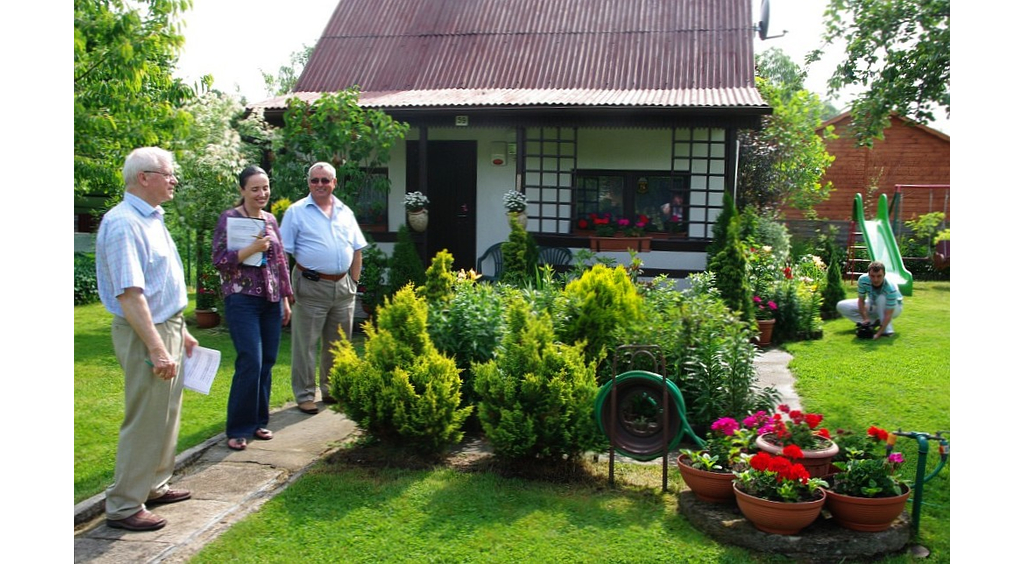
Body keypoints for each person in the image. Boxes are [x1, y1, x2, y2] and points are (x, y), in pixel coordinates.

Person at [95, 147, 198, 532]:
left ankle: (153, 484)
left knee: (167, 413)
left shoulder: (152, 218)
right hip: (145, 334)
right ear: (144, 177)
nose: (174, 181)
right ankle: (124, 505)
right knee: (145, 417)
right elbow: (131, 294)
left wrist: (180, 329)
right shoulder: (123, 223)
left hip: (167, 325)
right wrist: (157, 348)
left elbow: (159, 284)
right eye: (168, 174)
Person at [212, 166, 293, 451]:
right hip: (241, 299)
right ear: (242, 190)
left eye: (266, 188)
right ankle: (237, 428)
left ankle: (259, 421)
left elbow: (281, 263)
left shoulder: (271, 220)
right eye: (255, 188)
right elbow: (220, 260)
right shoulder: (230, 219)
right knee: (251, 361)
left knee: (267, 361)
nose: (262, 193)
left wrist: (285, 298)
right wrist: (252, 248)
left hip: (270, 301)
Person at [279, 162, 366, 415]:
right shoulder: (296, 212)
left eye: (325, 180)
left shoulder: (345, 212)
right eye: (315, 180)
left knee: (338, 343)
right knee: (305, 344)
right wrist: (286, 288)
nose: (320, 185)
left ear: (334, 183)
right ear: (309, 183)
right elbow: (283, 254)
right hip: (310, 286)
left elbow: (357, 249)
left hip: (342, 287)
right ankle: (305, 395)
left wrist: (353, 282)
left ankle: (331, 389)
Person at [836, 260, 904, 339]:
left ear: (884, 275)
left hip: (895, 308)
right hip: (873, 303)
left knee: (881, 298)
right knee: (841, 306)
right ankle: (871, 323)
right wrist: (865, 318)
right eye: (872, 276)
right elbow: (861, 301)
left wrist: (877, 334)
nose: (875, 280)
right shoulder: (863, 280)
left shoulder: (891, 288)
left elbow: (888, 314)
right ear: (868, 275)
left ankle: (887, 330)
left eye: (879, 276)